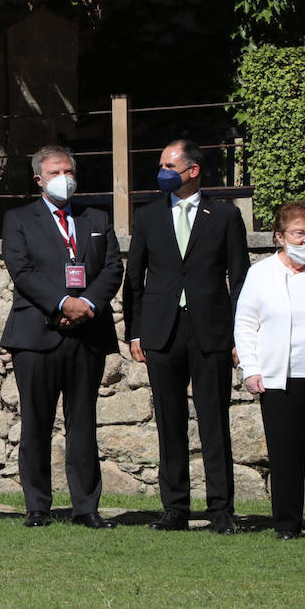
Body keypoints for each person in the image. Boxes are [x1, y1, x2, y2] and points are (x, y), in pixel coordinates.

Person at [124, 139, 248, 534]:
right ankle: (174, 508)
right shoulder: (148, 216)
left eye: (169, 165)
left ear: (192, 170)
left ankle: (220, 510)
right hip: (162, 332)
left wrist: (238, 335)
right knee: (169, 422)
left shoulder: (225, 215)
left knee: (214, 421)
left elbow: (239, 278)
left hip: (211, 331)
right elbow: (135, 278)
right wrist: (135, 330)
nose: (161, 171)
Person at [1, 144, 123, 529]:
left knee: (83, 422)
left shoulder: (96, 217)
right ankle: (37, 505)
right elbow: (21, 270)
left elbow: (112, 267)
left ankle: (86, 506)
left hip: (87, 332)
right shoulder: (18, 219)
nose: (63, 179)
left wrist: (85, 304)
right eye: (55, 172)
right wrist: (61, 304)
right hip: (37, 334)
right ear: (39, 179)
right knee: (36, 423)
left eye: (68, 171)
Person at [233, 199, 305, 540]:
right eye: (299, 233)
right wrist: (251, 368)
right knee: (285, 453)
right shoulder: (261, 274)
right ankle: (287, 525)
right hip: (280, 378)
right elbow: (245, 325)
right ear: (279, 236)